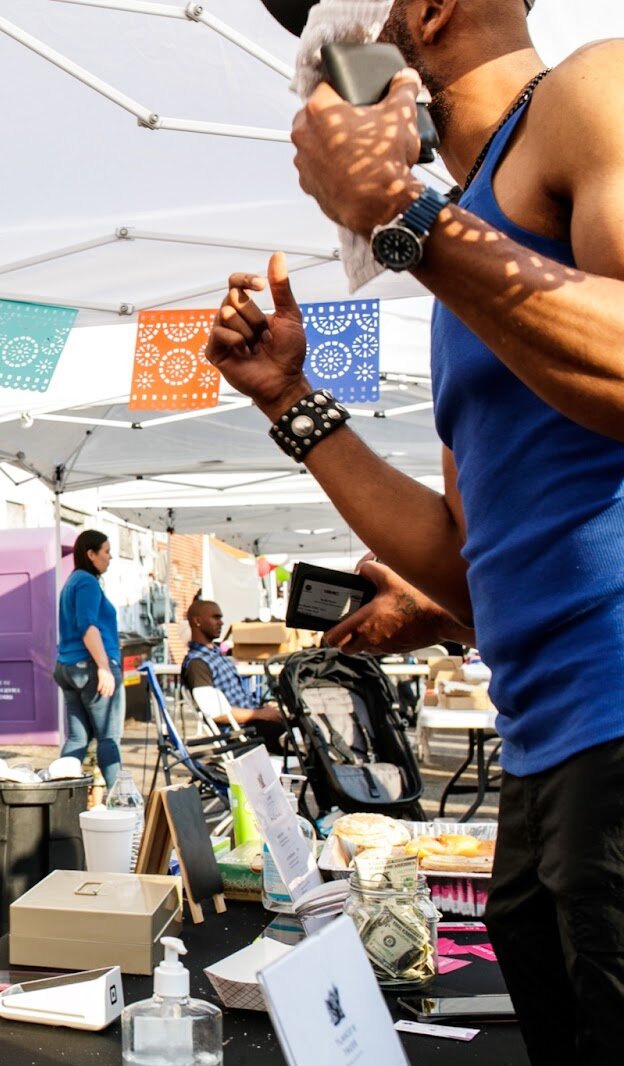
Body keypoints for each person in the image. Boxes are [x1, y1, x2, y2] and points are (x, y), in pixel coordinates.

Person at [212, 4, 624, 1058]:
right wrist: (291, 404)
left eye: (324, 33)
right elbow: (467, 558)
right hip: (546, 755)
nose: (311, 66)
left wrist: (407, 214)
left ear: (422, 14)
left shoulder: (593, 91)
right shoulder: (460, 261)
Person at [54, 529, 124, 785]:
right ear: (91, 554)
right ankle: (121, 802)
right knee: (109, 737)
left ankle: (59, 795)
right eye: (106, 552)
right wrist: (104, 666)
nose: (110, 557)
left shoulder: (72, 581)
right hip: (91, 667)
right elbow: (87, 626)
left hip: (69, 667)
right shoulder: (87, 582)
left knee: (77, 739)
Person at [180, 598, 288, 753]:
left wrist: (265, 710)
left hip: (253, 725)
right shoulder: (197, 663)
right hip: (243, 735)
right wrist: (261, 714)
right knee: (305, 739)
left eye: (221, 618)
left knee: (306, 725)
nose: (221, 622)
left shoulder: (216, 655)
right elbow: (216, 713)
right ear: (197, 621)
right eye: (215, 617)